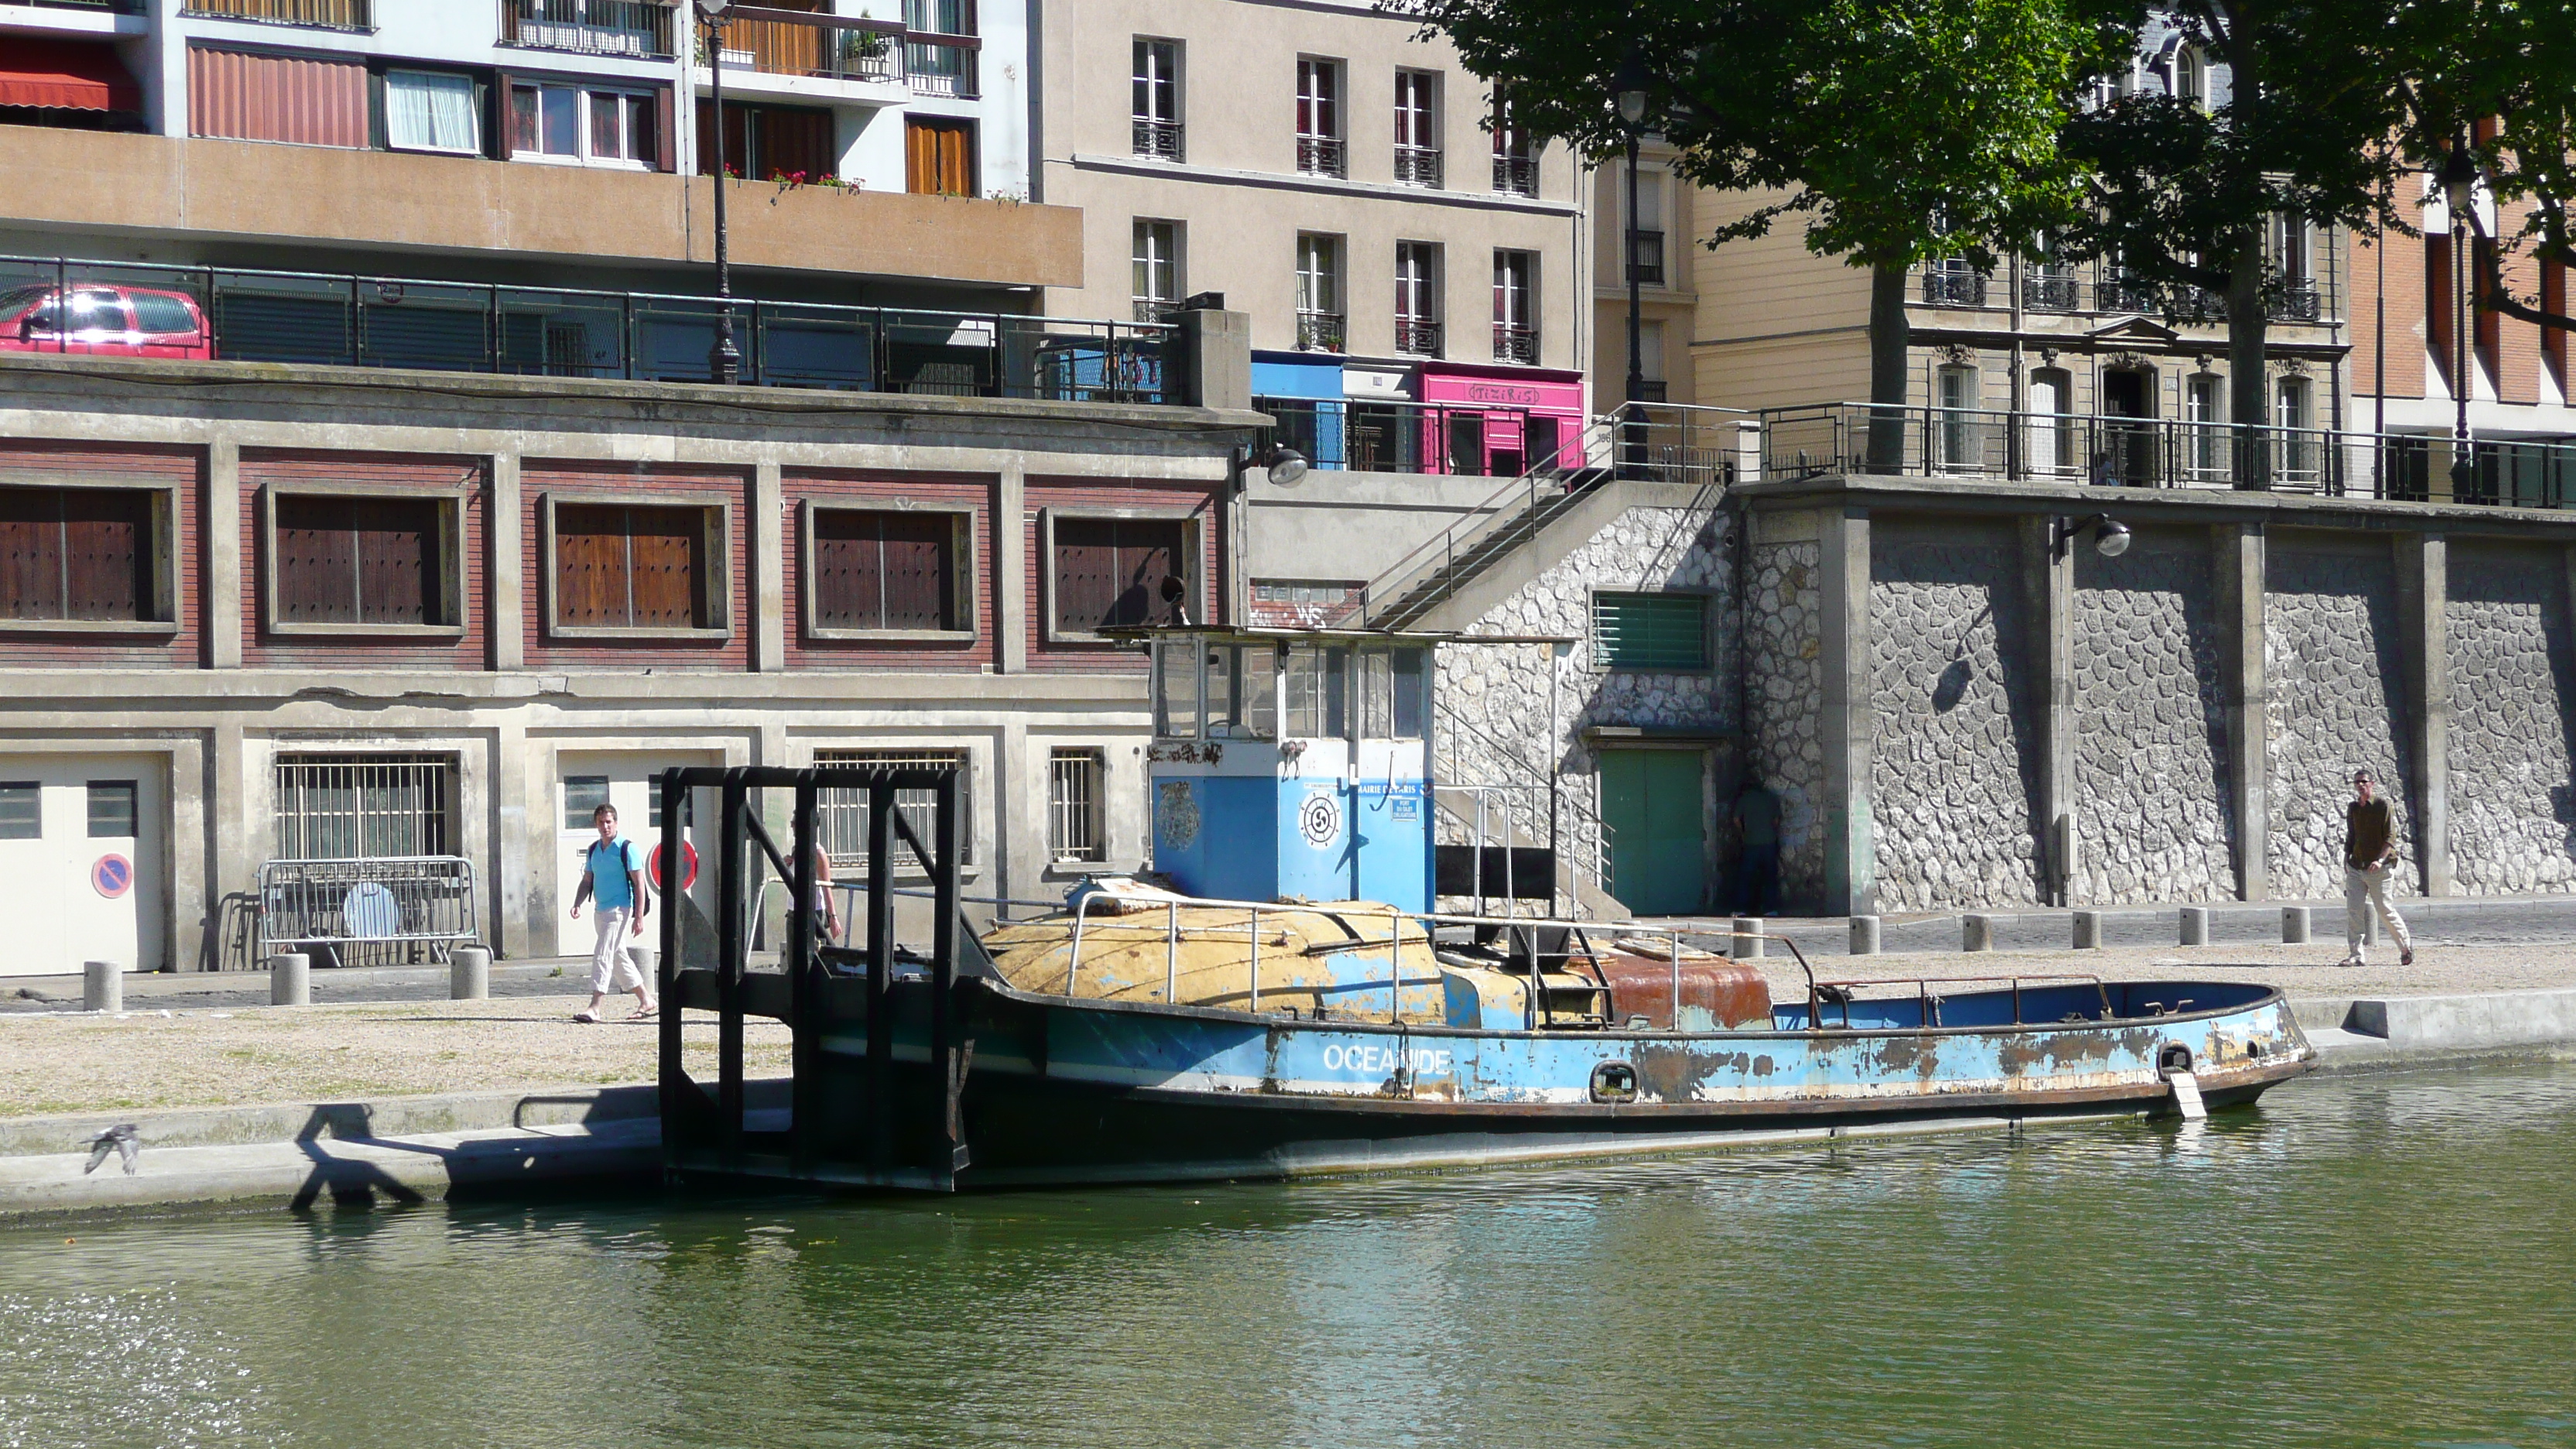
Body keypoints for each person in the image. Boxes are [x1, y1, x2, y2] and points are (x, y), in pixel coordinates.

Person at [568, 803, 656, 1023]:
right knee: (617, 957)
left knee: (603, 953)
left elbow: (639, 883)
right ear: (596, 824)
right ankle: (647, 1000)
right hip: (600, 909)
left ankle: (595, 1006)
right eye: (601, 822)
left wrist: (638, 917)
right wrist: (577, 902)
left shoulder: (627, 848)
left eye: (609, 822)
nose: (605, 826)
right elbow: (587, 879)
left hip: (620, 909)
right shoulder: (593, 850)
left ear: (616, 823)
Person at [2340, 769, 2415, 969]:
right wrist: (2346, 857)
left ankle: (2406, 948)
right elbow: (2351, 834)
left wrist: (2380, 860)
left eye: (2364, 782)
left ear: (2372, 783)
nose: (2360, 785)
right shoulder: (2354, 808)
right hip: (2357, 866)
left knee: (2384, 910)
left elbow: (2391, 836)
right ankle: (2356, 955)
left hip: (2379, 868)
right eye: (2356, 782)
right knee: (2354, 911)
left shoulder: (2383, 805)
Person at [1733, 772, 1781, 916]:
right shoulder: (1770, 798)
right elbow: (1776, 820)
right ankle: (1770, 909)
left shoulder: (1744, 799)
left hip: (1750, 842)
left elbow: (1736, 819)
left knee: (1746, 877)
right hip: (1769, 842)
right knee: (1770, 877)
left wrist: (1743, 833)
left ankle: (1742, 909)